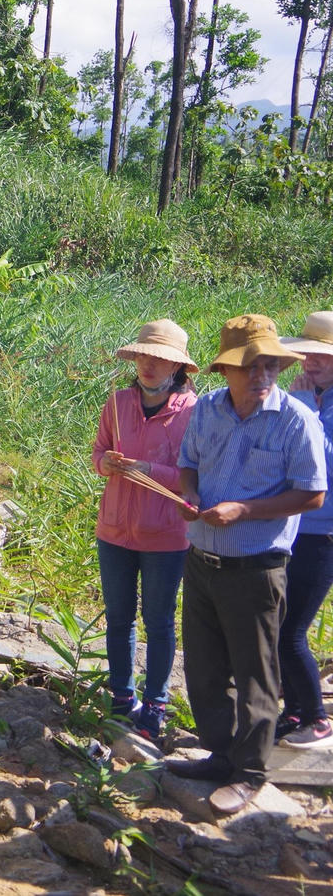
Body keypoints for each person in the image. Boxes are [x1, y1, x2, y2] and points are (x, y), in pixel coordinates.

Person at [167, 314, 326, 817]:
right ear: (226, 371)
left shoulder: (295, 418)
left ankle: (251, 773)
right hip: (202, 560)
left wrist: (245, 510)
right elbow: (189, 462)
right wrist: (188, 493)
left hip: (256, 567)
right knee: (206, 667)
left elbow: (313, 494)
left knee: (256, 673)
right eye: (250, 367)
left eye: (270, 367)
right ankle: (221, 754)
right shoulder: (208, 409)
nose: (262, 377)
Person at [92, 320, 198, 741]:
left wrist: (149, 470)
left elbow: (195, 475)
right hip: (114, 529)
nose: (148, 365)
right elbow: (99, 451)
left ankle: (155, 703)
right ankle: (122, 698)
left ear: (177, 367)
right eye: (142, 356)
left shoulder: (193, 411)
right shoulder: (118, 402)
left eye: (159, 358)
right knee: (118, 618)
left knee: (159, 621)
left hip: (166, 536)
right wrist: (107, 464)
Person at [275, 312, 333, 748]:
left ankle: (316, 717)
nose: (310, 362)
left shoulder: (316, 404)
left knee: (291, 630)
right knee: (277, 623)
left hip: (323, 533)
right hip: (293, 526)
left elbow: (323, 466)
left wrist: (309, 414)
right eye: (307, 354)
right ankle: (293, 710)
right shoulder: (312, 395)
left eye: (321, 357)